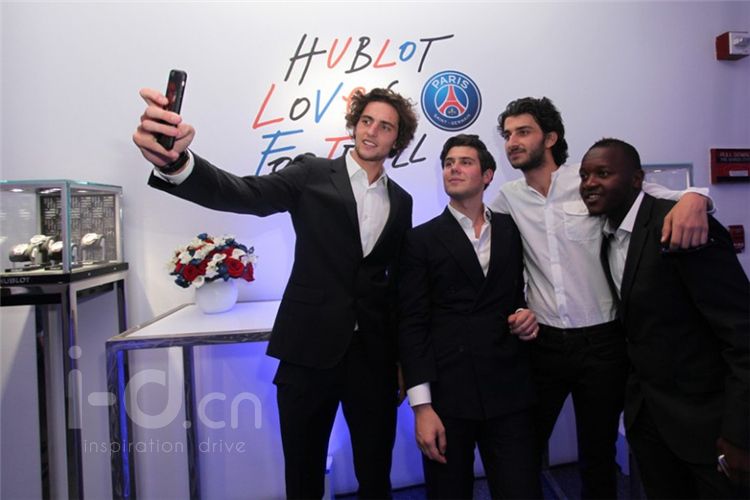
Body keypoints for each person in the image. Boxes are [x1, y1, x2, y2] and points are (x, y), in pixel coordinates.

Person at [133, 86, 419, 499]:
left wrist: (402, 360)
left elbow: (397, 287)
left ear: (398, 140)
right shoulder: (312, 173)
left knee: (376, 474)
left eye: (385, 126)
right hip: (308, 351)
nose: (371, 131)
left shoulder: (402, 201)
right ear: (355, 125)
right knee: (302, 476)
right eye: (366, 121)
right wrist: (177, 163)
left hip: (372, 359)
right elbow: (244, 193)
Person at [489, 97, 712, 498]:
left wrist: (697, 198)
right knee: (522, 448)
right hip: (543, 344)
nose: (512, 142)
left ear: (551, 138)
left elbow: (659, 196)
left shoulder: (589, 180)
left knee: (598, 454)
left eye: (523, 132)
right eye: (507, 135)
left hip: (605, 344)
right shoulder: (507, 198)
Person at [579, 137, 749, 499]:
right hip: (651, 422)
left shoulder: (683, 226)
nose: (589, 183)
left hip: (709, 425)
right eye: (584, 176)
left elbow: (742, 334)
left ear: (637, 179)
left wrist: (740, 434)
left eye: (603, 173)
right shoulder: (608, 236)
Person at [398, 134, 542, 499]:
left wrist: (524, 315)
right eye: (448, 163)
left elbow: (517, 295)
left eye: (465, 162)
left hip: (508, 389)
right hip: (448, 395)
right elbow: (412, 324)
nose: (454, 169)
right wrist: (422, 407)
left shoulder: (511, 230)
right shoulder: (420, 240)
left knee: (521, 491)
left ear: (487, 175)